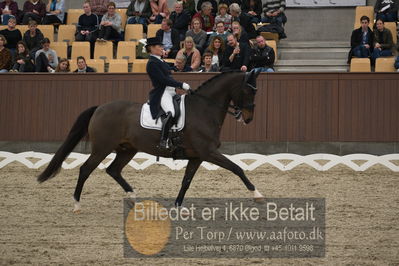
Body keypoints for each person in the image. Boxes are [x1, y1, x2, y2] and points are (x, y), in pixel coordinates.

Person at [145, 37, 191, 150]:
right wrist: (181, 85)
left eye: (162, 46)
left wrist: (176, 66)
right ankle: (164, 140)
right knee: (172, 112)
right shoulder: (151, 63)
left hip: (171, 92)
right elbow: (163, 80)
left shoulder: (160, 60)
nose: (162, 48)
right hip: (162, 93)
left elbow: (168, 68)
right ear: (152, 48)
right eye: (159, 46)